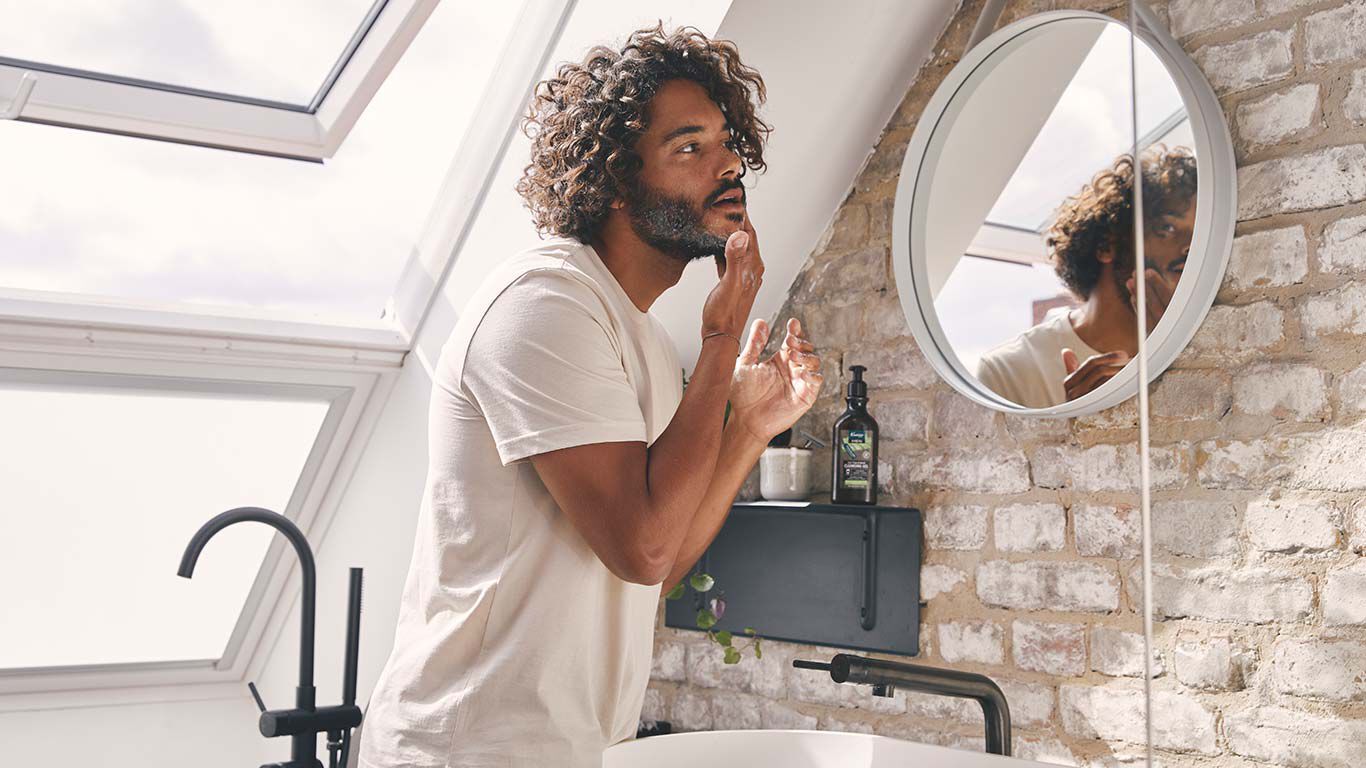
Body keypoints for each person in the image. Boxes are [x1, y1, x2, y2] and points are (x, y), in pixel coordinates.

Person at [356, 23, 824, 768]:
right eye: (689, 146)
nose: (730, 162)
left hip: (573, 751)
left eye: (726, 141)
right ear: (612, 182)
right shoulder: (544, 304)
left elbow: (654, 565)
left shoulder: (634, 334)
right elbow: (641, 548)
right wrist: (718, 343)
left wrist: (745, 430)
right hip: (465, 750)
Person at [974, 146, 1197, 408]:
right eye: (1168, 228)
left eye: (1198, 234)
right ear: (1106, 245)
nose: (1190, 246)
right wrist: (1083, 429)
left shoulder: (1197, 362)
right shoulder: (1009, 372)